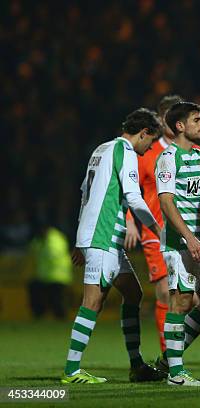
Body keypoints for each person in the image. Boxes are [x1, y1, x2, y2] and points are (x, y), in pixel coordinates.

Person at [61, 108, 166, 384]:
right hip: (104, 236)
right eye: (151, 142)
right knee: (93, 302)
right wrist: (157, 227)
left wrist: (80, 237)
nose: (149, 148)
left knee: (133, 293)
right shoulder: (126, 152)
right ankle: (71, 370)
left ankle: (136, 365)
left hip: (101, 237)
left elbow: (85, 192)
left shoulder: (102, 149)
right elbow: (133, 196)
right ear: (143, 133)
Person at [156, 101, 200, 386]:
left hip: (197, 242)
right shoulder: (169, 158)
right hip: (179, 242)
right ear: (180, 126)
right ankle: (176, 374)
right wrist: (188, 236)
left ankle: (170, 357)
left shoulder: (199, 156)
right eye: (197, 119)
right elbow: (166, 201)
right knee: (181, 301)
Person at [124, 94, 182, 360]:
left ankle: (174, 350)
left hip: (183, 232)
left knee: (187, 297)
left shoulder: (186, 150)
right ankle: (168, 357)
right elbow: (125, 187)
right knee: (163, 290)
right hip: (154, 231)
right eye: (169, 114)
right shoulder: (147, 152)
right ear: (161, 119)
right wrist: (130, 223)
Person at [27, 216, 73, 319]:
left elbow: (52, 254)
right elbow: (32, 249)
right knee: (36, 292)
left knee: (56, 301)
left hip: (59, 276)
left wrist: (42, 246)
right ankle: (39, 316)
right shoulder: (40, 239)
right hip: (46, 276)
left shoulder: (55, 239)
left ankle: (61, 320)